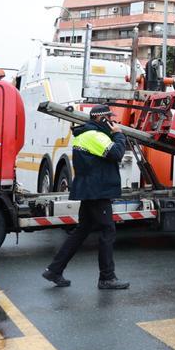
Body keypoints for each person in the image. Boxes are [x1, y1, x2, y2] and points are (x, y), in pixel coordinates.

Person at [43, 105, 129, 290]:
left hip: (89, 189)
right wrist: (118, 134)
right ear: (101, 118)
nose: (113, 121)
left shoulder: (83, 134)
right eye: (110, 118)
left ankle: (54, 270)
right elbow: (117, 153)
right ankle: (107, 278)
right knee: (108, 230)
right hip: (98, 191)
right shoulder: (95, 136)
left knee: (82, 230)